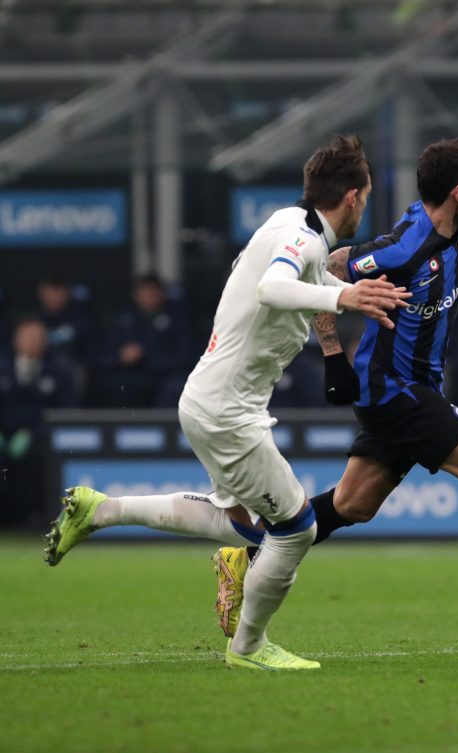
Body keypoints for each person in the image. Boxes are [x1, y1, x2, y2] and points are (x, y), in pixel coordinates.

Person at [46, 138, 458, 651]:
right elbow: (330, 269)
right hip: (391, 391)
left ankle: (239, 556)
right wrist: (333, 352)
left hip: (407, 388)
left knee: (352, 505)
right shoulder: (400, 246)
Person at [44, 134, 410, 670]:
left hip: (212, 400)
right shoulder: (304, 242)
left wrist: (343, 321)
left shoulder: (290, 222)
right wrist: (343, 296)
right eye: (368, 194)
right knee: (297, 527)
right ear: (353, 196)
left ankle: (102, 510)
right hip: (226, 412)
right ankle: (249, 648)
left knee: (239, 520)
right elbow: (273, 288)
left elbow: (301, 279)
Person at [0, 318, 78, 526]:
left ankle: (36, 517)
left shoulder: (60, 370)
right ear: (16, 340)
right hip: (5, 434)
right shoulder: (2, 366)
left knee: (40, 458)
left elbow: (67, 412)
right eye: (28, 337)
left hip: (39, 437)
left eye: (39, 338)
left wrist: (33, 432)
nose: (34, 342)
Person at [91, 274, 195, 408]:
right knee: (107, 384)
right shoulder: (122, 319)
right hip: (126, 375)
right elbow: (100, 355)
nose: (148, 296)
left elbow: (185, 357)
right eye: (143, 291)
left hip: (161, 375)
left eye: (152, 291)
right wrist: (120, 357)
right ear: (135, 295)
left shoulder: (177, 319)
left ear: (161, 293)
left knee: (175, 386)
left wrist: (146, 356)